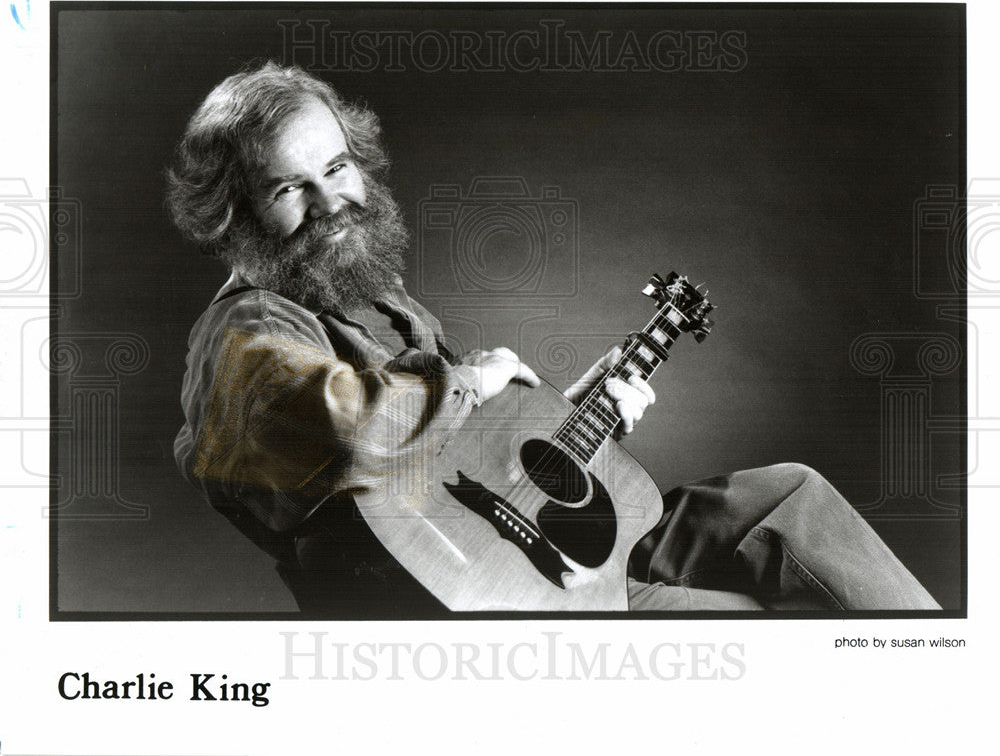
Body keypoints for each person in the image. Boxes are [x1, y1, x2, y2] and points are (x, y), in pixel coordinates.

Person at [169, 62, 940, 615]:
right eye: (288, 188)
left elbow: (455, 469)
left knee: (788, 497)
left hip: (532, 552)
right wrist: (473, 379)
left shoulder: (374, 298)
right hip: (456, 595)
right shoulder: (246, 330)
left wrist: (564, 421)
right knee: (747, 620)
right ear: (233, 215)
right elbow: (345, 429)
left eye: (335, 166)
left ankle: (948, 678)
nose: (331, 200)